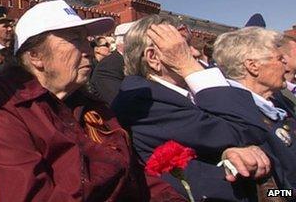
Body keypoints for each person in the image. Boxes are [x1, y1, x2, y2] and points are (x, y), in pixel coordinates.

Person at [0, 0, 186, 201]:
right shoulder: (3, 109)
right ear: (36, 56)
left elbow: (135, 174)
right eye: (75, 39)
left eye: (86, 40)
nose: (88, 51)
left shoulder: (91, 104)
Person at [112, 15, 274, 201]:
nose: (195, 53)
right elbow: (248, 130)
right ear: (154, 58)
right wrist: (188, 66)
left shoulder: (176, 93)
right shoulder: (143, 102)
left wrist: (226, 151)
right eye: (183, 47)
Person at [213, 27, 296, 190]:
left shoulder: (279, 102)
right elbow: (277, 191)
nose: (285, 65)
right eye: (280, 59)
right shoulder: (234, 114)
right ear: (253, 66)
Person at [90, 21, 135, 104]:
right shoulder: (106, 68)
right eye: (106, 45)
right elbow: (124, 103)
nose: (110, 47)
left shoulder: (130, 62)